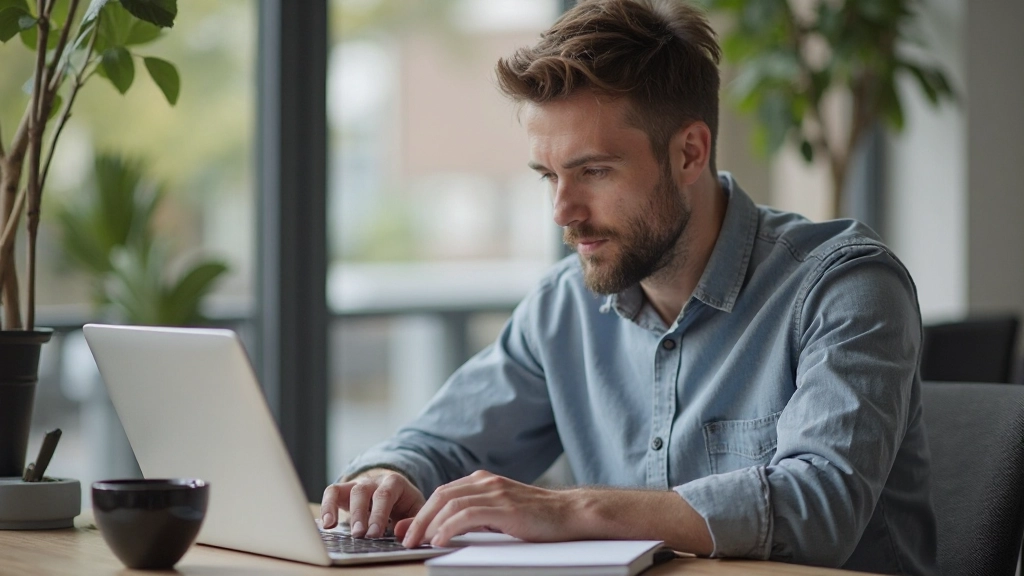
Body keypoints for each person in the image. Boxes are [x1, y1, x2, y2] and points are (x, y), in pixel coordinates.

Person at [320, 0, 938, 573]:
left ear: (690, 153)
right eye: (548, 177)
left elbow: (818, 505)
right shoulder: (564, 307)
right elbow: (439, 446)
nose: (563, 211)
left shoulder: (844, 285)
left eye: (594, 171)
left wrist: (569, 510)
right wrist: (387, 475)